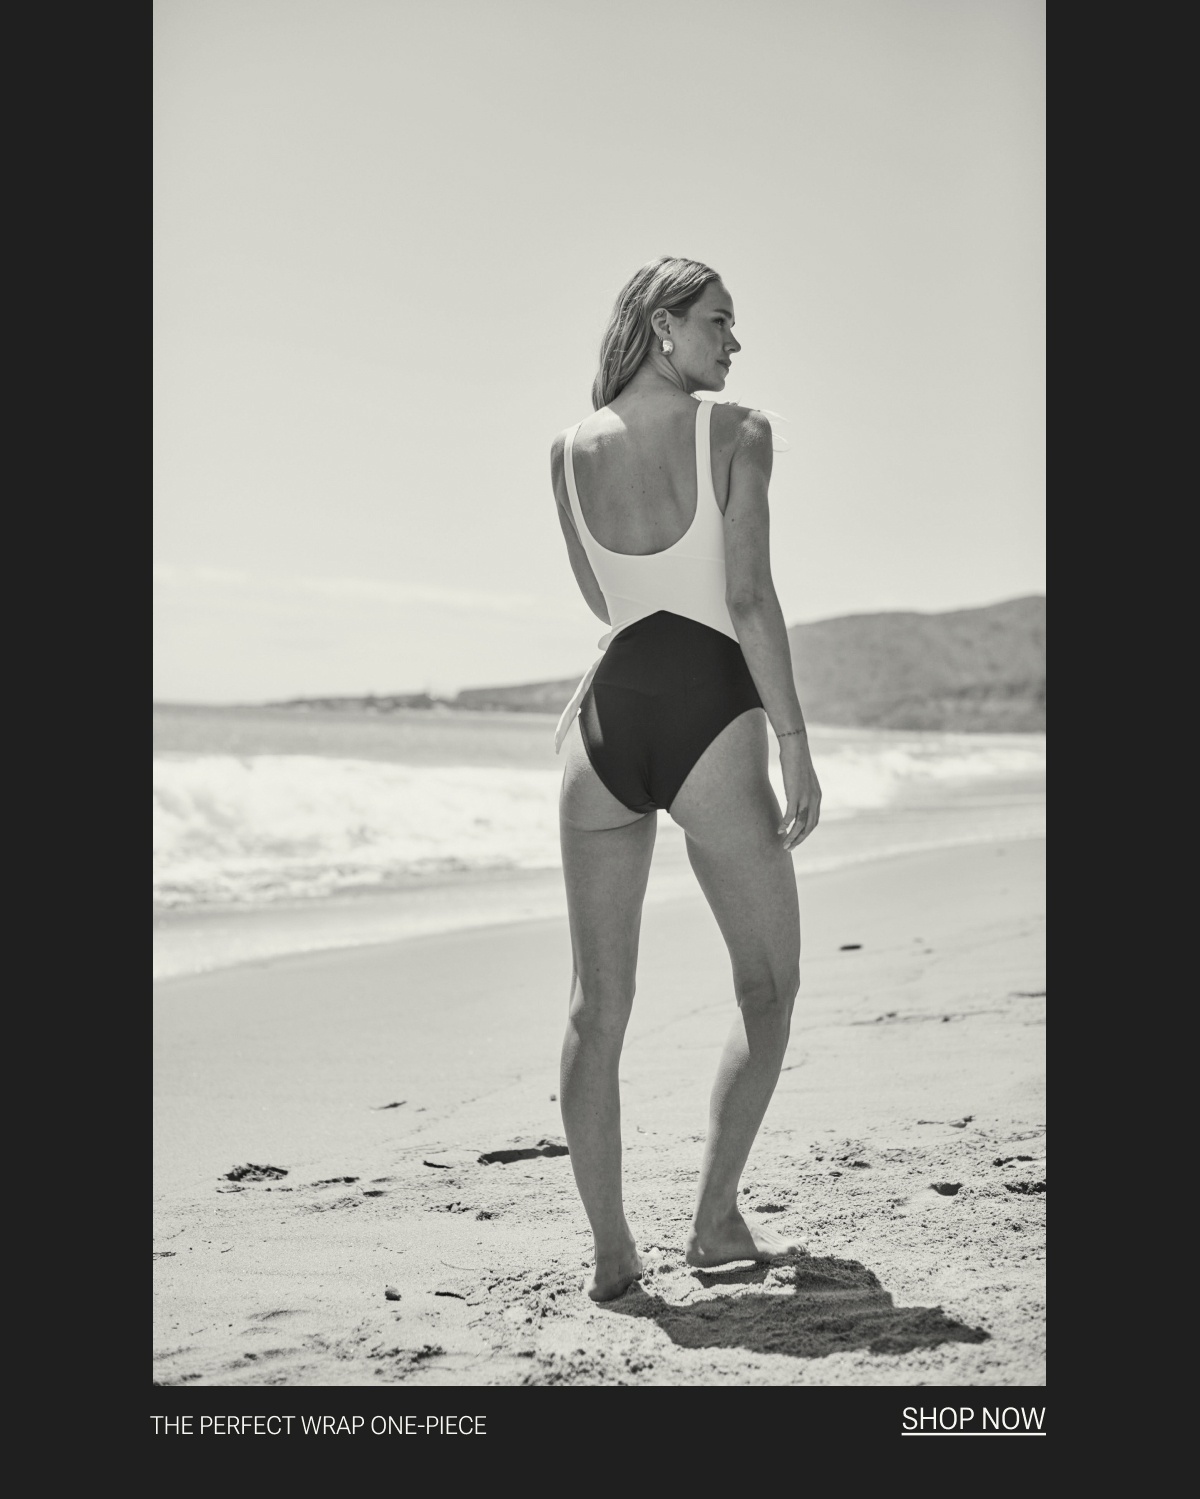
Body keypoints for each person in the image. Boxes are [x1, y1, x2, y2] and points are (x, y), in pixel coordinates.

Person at [550, 256, 823, 1301]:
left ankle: (613, 1254)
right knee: (767, 985)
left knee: (595, 1010)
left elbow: (604, 604)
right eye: (718, 321)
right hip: (713, 716)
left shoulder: (565, 453)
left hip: (604, 727)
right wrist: (793, 738)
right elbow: (747, 596)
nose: (733, 342)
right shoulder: (738, 430)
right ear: (663, 326)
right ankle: (712, 1221)